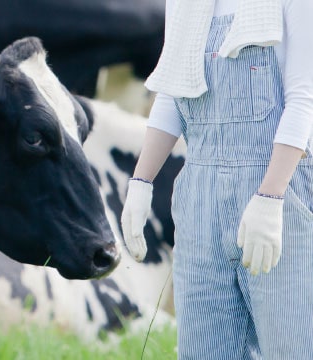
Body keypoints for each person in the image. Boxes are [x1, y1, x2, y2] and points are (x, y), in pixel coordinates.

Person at [121, 0, 313, 359]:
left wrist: (270, 198)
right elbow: (171, 92)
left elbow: (304, 100)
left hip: (277, 190)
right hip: (199, 199)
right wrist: (141, 181)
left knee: (291, 349)